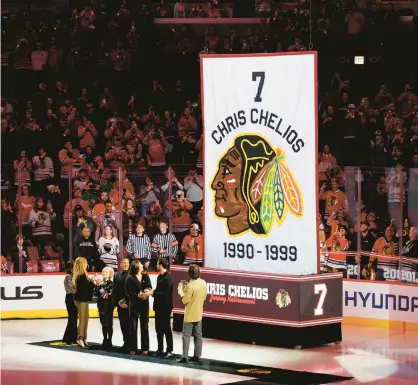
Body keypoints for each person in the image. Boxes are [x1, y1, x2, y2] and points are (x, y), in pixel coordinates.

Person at [177, 264, 207, 363]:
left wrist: (181, 293)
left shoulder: (190, 286)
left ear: (189, 273)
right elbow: (204, 297)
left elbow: (185, 301)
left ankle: (184, 357)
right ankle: (197, 355)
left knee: (186, 335)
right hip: (199, 312)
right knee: (198, 335)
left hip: (190, 314)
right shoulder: (203, 283)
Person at [125, 260, 152, 356]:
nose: (142, 265)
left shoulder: (145, 276)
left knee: (144, 326)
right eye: (140, 264)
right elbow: (128, 292)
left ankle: (145, 348)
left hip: (144, 304)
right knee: (133, 326)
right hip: (134, 304)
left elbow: (149, 287)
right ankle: (133, 347)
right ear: (136, 266)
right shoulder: (130, 278)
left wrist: (146, 292)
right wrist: (137, 295)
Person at [152, 257, 174, 358]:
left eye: (157, 263)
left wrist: (152, 293)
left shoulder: (168, 278)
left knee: (166, 329)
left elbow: (164, 294)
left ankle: (169, 350)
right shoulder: (159, 277)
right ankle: (160, 348)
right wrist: (152, 292)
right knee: (158, 329)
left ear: (161, 265)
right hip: (158, 306)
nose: (156, 265)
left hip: (165, 307)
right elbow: (157, 291)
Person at [72, 257, 95, 348]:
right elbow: (85, 289)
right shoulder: (81, 276)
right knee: (83, 319)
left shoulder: (81, 275)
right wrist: (92, 282)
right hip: (81, 300)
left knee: (85, 319)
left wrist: (91, 281)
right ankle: (80, 338)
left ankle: (84, 338)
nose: (87, 264)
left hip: (83, 299)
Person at [96, 266, 115, 349]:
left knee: (109, 324)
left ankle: (109, 340)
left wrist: (100, 287)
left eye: (106, 272)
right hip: (101, 306)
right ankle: (104, 339)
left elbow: (106, 295)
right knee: (103, 324)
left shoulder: (111, 284)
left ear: (110, 274)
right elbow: (96, 294)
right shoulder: (100, 283)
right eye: (103, 271)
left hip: (108, 306)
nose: (104, 273)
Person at [114, 258, 130, 352]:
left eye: (127, 263)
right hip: (120, 304)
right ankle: (125, 343)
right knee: (123, 324)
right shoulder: (116, 275)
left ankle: (131, 344)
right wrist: (118, 302)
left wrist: (127, 302)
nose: (126, 264)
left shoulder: (132, 274)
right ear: (120, 264)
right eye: (124, 263)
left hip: (129, 305)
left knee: (130, 325)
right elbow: (115, 290)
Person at [62, 262, 77, 344]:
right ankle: (69, 338)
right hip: (71, 298)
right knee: (72, 317)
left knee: (74, 318)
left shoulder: (75, 276)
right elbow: (71, 289)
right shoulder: (68, 277)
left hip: (75, 298)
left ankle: (72, 337)